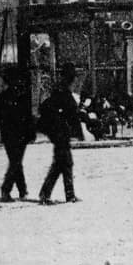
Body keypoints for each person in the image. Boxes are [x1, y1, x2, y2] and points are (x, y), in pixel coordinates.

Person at [38, 62, 81, 203]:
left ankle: (67, 195)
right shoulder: (62, 90)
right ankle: (47, 194)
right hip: (59, 132)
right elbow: (72, 110)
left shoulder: (60, 89)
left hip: (59, 132)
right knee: (63, 163)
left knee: (62, 163)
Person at [0, 71, 35, 201]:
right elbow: (28, 118)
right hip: (20, 135)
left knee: (16, 162)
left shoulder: (1, 98)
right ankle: (6, 190)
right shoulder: (22, 98)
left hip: (8, 135)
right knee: (16, 162)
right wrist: (31, 133)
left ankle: (22, 190)